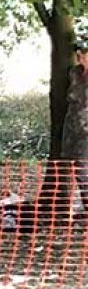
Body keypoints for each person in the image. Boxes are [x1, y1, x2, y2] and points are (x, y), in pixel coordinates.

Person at [61, 36, 88, 211]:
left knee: (84, 173)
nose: (81, 55)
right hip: (73, 133)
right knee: (79, 173)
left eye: (84, 52)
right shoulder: (74, 73)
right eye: (79, 52)